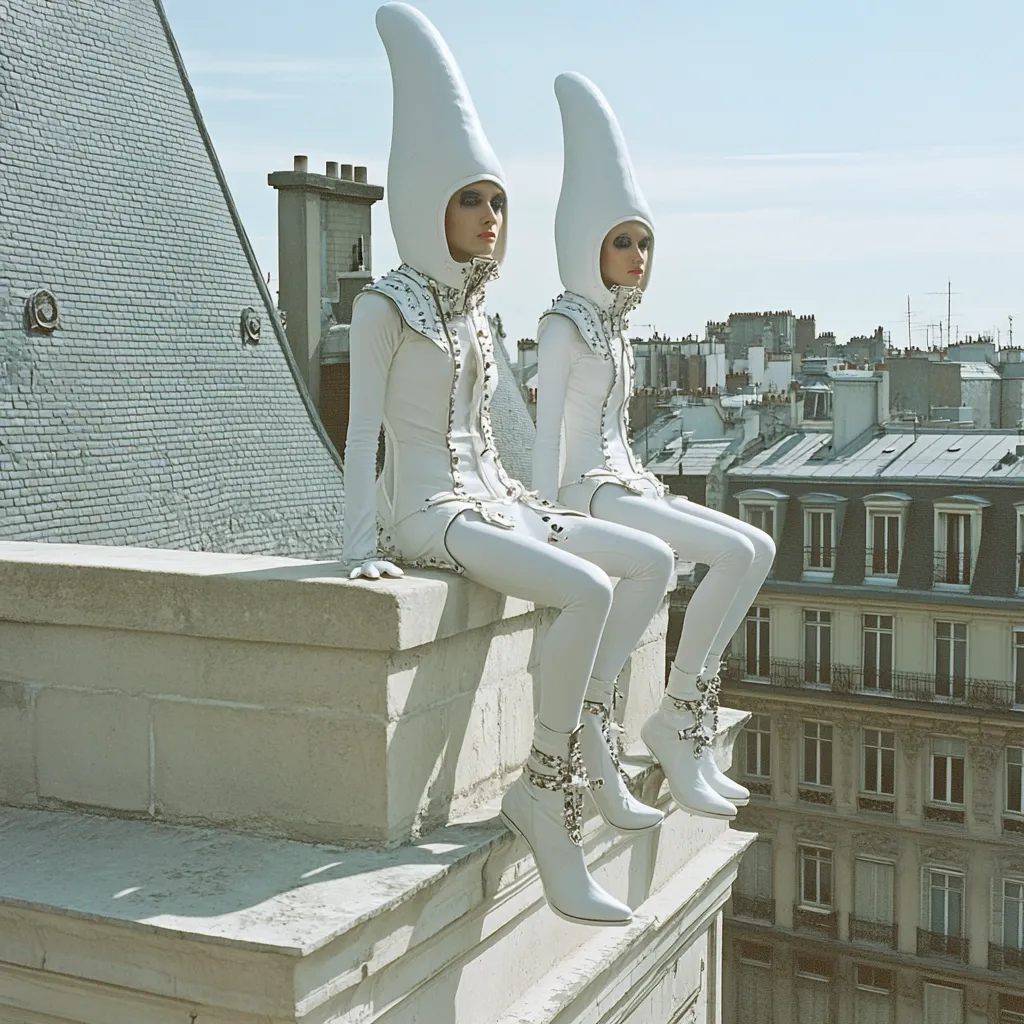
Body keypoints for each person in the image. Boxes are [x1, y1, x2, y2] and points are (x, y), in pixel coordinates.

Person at [343, 4, 677, 927]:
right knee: (586, 588)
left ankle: (591, 746)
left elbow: (488, 440)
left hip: (492, 500)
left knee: (645, 562)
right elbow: (362, 436)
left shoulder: (475, 311)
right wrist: (358, 545)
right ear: (425, 201)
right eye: (469, 199)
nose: (489, 217)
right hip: (427, 514)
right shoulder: (387, 306)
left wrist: (525, 504)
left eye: (495, 200)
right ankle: (547, 788)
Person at [533, 72, 776, 820]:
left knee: (756, 548)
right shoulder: (564, 325)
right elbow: (549, 446)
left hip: (627, 481)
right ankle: (669, 718)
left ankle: (682, 717)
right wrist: (544, 527)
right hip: (588, 492)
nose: (637, 255)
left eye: (643, 242)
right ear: (588, 245)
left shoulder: (615, 327)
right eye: (621, 242)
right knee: (726, 556)